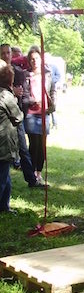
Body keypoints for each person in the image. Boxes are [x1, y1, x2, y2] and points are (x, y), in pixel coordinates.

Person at [0, 44, 43, 189]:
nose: (6, 56)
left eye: (8, 53)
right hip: (2, 117)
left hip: (15, 114)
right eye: (3, 53)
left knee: (23, 149)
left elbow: (24, 95)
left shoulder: (18, 72)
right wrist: (12, 92)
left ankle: (31, 179)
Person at [22, 47, 56, 186]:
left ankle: (39, 173)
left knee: (42, 144)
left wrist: (53, 104)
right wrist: (33, 100)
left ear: (41, 59)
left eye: (36, 58)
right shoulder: (26, 75)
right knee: (33, 144)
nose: (34, 61)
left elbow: (52, 90)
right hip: (31, 113)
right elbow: (24, 95)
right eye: (32, 59)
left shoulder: (47, 74)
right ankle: (32, 175)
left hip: (44, 112)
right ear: (29, 61)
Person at [0, 62, 24, 213]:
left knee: (5, 176)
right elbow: (18, 117)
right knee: (2, 178)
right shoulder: (6, 96)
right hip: (3, 144)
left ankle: (4, 206)